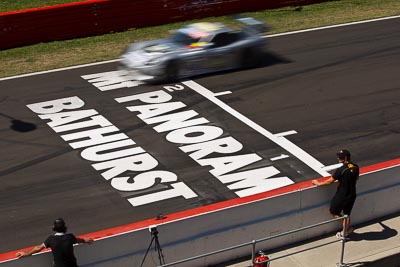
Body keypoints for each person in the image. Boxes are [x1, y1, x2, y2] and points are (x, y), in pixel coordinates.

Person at [312, 149, 359, 239]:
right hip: (352, 194)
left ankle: (344, 232)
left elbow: (329, 181)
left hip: (342, 195)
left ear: (345, 158)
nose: (338, 158)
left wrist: (318, 183)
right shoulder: (356, 167)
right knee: (347, 214)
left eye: (340, 157)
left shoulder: (341, 170)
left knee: (333, 211)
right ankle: (346, 230)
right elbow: (356, 179)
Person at [16, 218, 94, 267]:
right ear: (65, 227)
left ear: (54, 228)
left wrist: (26, 253)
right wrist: (85, 240)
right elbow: (78, 240)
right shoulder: (70, 237)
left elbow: (38, 248)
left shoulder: (51, 239)